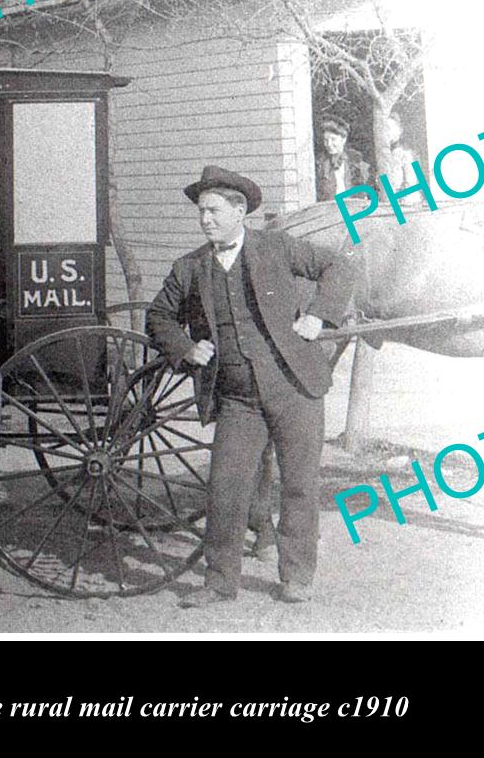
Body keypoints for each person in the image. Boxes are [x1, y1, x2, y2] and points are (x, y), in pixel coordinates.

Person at [147, 165, 357, 606]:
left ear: (240, 211)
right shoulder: (189, 268)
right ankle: (219, 582)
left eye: (214, 211)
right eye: (201, 212)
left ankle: (296, 576)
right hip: (238, 399)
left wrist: (320, 314)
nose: (205, 220)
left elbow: (339, 264)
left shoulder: (276, 248)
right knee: (224, 488)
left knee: (299, 485)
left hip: (294, 388)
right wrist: (185, 347)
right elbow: (159, 318)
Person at [314, 112, 372, 201]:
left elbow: (365, 189)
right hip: (329, 209)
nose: (329, 144)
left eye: (333, 139)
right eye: (326, 140)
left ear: (343, 139)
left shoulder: (356, 161)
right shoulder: (321, 163)